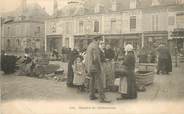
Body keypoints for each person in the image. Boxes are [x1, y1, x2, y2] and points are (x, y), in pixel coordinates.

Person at [85, 36, 111, 103]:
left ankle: (91, 95)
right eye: (99, 40)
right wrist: (99, 67)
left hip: (90, 67)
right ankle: (102, 98)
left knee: (92, 81)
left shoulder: (90, 45)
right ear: (97, 40)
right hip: (95, 67)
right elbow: (95, 58)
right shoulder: (95, 46)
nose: (100, 41)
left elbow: (88, 57)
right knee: (100, 82)